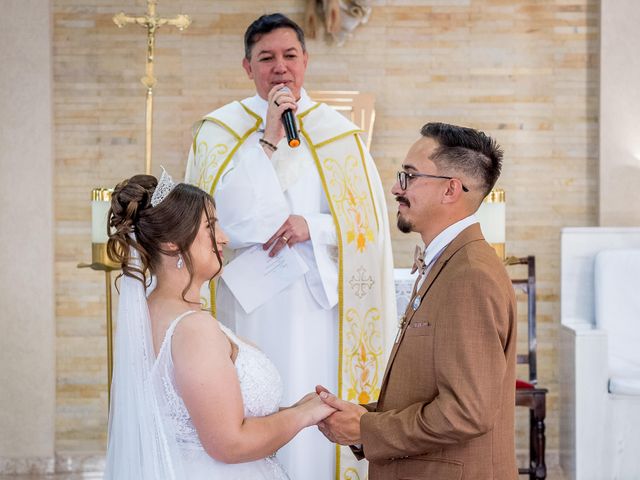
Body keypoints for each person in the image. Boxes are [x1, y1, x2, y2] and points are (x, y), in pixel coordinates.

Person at [184, 13, 396, 479]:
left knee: (311, 401)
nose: (279, 67)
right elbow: (211, 220)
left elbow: (369, 226)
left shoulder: (341, 136)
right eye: (266, 58)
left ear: (305, 60)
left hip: (317, 311)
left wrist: (313, 228)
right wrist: (269, 138)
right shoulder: (218, 133)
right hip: (246, 309)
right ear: (247, 67)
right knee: (253, 403)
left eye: (289, 55)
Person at [316, 122, 518, 479]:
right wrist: (363, 417)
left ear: (450, 190)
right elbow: (428, 389)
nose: (396, 188)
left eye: (409, 176)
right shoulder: (450, 262)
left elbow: (467, 411)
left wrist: (367, 429)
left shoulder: (470, 274)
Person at [103, 170, 335, 480]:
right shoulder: (192, 329)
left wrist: (293, 409)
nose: (224, 237)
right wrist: (301, 415)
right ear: (173, 244)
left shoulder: (150, 310)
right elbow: (229, 444)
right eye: (211, 226)